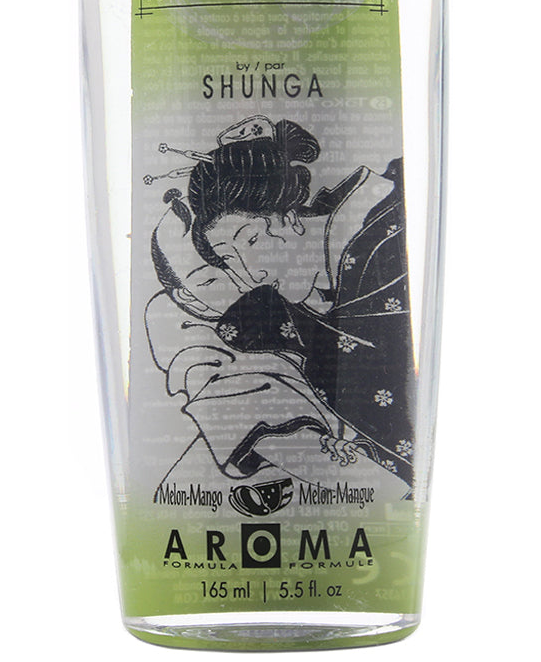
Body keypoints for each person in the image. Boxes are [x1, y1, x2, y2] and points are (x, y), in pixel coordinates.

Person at [186, 118, 416, 483]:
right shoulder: (306, 300)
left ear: (289, 216)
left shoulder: (389, 234)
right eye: (228, 258)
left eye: (251, 241)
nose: (252, 275)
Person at [146, 189, 407, 489]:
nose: (243, 277)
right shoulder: (201, 348)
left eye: (249, 245)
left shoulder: (321, 272)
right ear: (188, 298)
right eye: (210, 278)